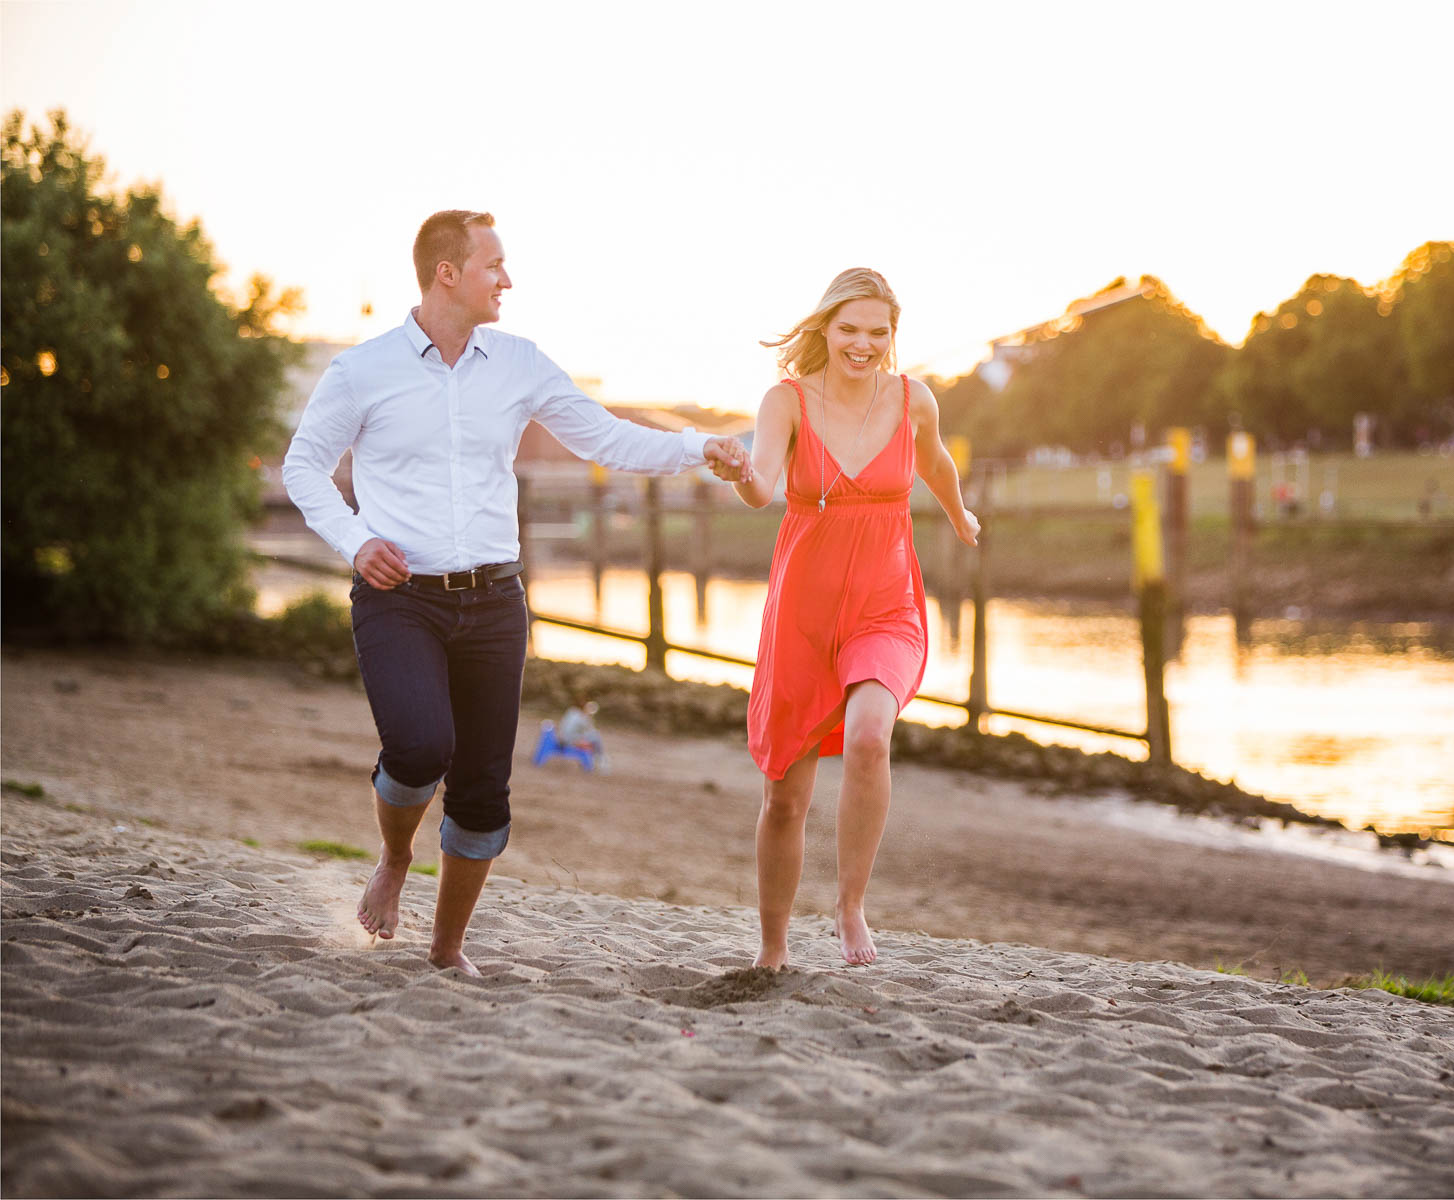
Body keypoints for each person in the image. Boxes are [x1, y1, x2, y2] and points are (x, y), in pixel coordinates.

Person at [281, 210, 749, 976]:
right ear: (448, 273)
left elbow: (604, 437)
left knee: (482, 792)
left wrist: (700, 448)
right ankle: (396, 856)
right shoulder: (361, 371)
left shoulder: (521, 363)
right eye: (495, 264)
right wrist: (357, 541)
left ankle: (446, 947)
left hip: (496, 601)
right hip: (401, 597)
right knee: (420, 745)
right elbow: (303, 466)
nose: (508, 279)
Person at [729, 268, 979, 967]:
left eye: (878, 332)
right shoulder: (787, 401)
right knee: (786, 797)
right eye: (850, 329)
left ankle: (850, 908)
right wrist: (738, 474)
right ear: (825, 329)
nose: (863, 344)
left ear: (893, 337)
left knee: (871, 736)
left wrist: (961, 516)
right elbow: (762, 486)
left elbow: (936, 467)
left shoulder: (913, 399)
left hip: (885, 604)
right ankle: (773, 950)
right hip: (803, 614)